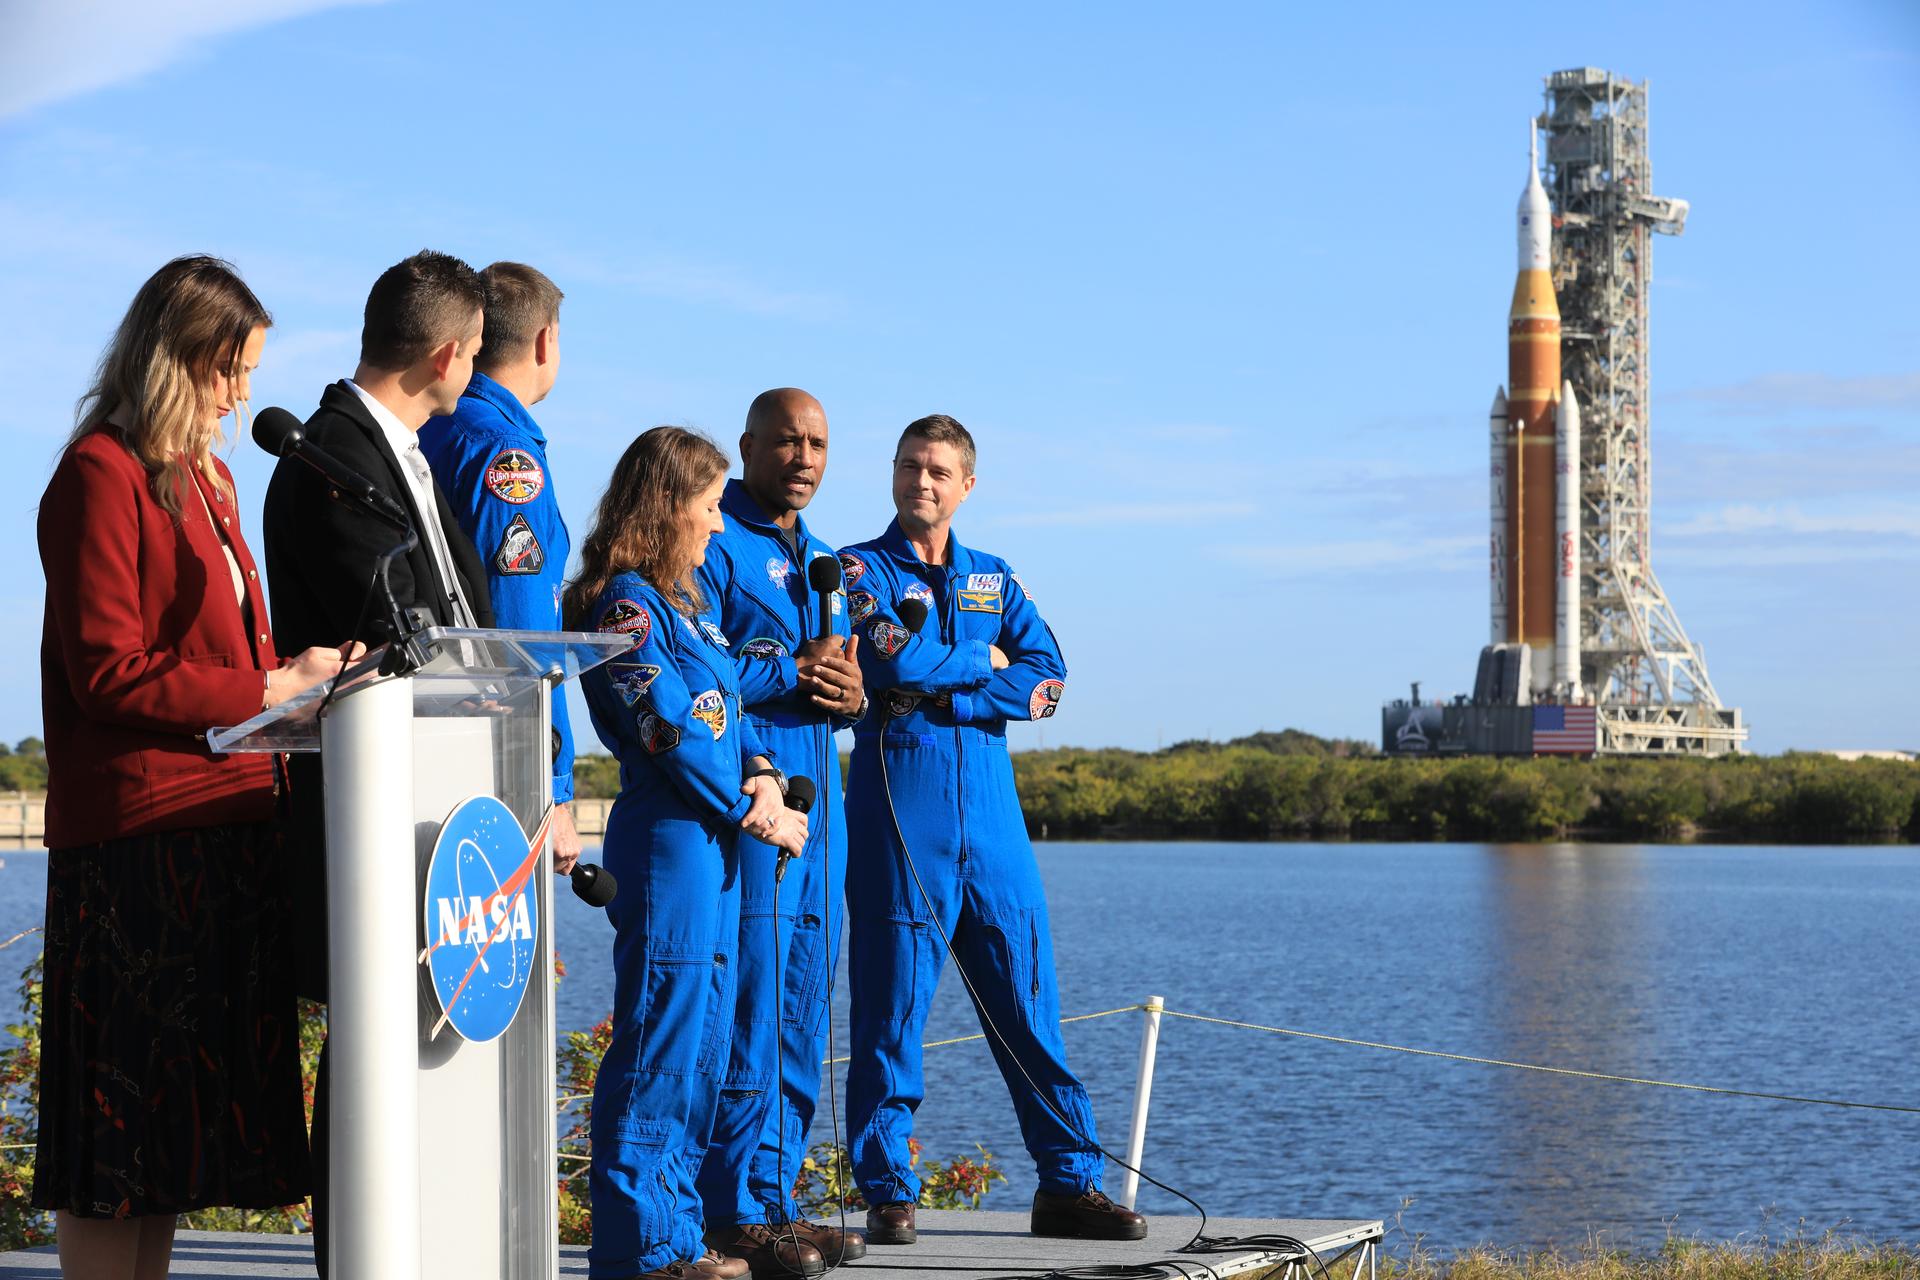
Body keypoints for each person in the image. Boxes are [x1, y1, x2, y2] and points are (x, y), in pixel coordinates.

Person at [33, 256, 352, 1280]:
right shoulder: (101, 471)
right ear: (175, 358)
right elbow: (107, 672)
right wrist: (267, 687)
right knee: (116, 1140)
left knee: (171, 1142)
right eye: (231, 368)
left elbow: (228, 654)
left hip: (226, 825)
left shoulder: (210, 477)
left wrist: (301, 682)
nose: (244, 391)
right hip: (138, 842)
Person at [839, 415, 1145, 1244]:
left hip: (994, 817)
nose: (921, 482)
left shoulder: (995, 579)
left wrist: (959, 689)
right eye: (908, 467)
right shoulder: (857, 571)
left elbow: (1049, 681)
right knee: (893, 1006)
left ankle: (1068, 1184)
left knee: (1028, 996)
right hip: (903, 806)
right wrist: (983, 665)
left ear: (966, 484)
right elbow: (891, 662)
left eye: (938, 470)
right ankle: (888, 1188)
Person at [260, 249, 497, 1274]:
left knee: (432, 1039)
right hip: (373, 804)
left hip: (442, 799)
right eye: (476, 352)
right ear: (445, 351)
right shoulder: (331, 458)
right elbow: (387, 628)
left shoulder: (401, 453)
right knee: (374, 1049)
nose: (473, 370)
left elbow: (458, 621)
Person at [568, 426, 809, 1280]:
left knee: (705, 1036)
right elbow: (666, 729)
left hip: (714, 838)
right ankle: (637, 1246)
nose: (716, 525)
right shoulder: (626, 608)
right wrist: (763, 815)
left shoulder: (691, 610)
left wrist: (767, 778)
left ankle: (676, 1231)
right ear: (669, 505)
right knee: (661, 1034)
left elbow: (734, 717)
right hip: (669, 836)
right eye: (708, 507)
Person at [692, 390, 866, 1277]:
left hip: (820, 793)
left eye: (819, 444)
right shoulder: (714, 537)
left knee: (802, 1003)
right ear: (749, 445)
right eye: (787, 441)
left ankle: (774, 1197)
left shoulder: (827, 558)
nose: (803, 457)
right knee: (753, 1002)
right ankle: (728, 1207)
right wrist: (791, 676)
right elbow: (705, 668)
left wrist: (851, 693)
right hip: (758, 790)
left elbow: (836, 672)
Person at [418, 261, 582, 873]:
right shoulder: (505, 453)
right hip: (496, 758)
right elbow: (525, 630)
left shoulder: (434, 428)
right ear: (545, 341)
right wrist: (551, 782)